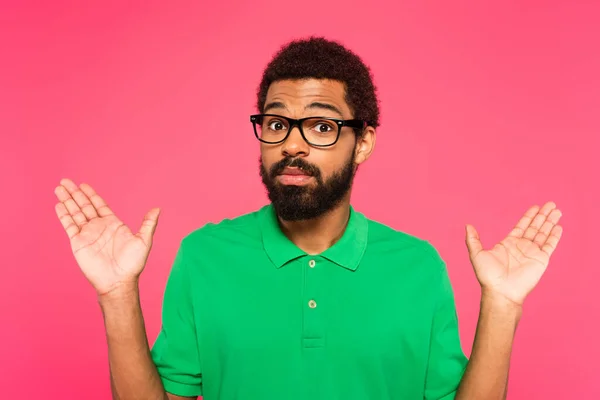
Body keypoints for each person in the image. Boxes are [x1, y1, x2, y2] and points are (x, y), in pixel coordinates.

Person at [54, 37, 563, 400]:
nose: (292, 144)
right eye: (277, 123)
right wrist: (117, 294)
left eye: (321, 125)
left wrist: (502, 304)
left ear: (362, 141)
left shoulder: (419, 267)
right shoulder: (203, 256)